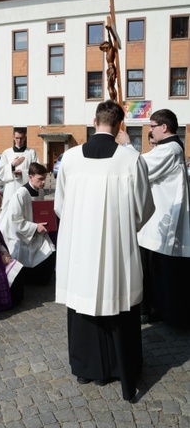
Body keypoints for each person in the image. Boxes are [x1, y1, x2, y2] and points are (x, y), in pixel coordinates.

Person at [55, 100, 154, 401]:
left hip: (79, 249)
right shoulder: (130, 159)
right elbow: (144, 208)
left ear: (94, 120)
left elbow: (60, 206)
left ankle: (86, 368)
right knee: (117, 301)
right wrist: (123, 227)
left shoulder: (69, 159)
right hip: (116, 249)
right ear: (120, 125)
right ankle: (117, 366)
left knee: (84, 303)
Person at [120, 109, 190, 328]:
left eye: (152, 126)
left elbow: (141, 168)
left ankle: (167, 315)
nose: (150, 130)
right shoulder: (169, 148)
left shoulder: (170, 149)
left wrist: (126, 145)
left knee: (161, 273)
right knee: (153, 271)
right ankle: (153, 310)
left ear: (164, 127)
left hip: (163, 221)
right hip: (157, 221)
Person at [0, 162, 56, 286]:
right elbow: (16, 221)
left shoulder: (40, 192)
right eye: (40, 179)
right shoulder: (21, 194)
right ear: (30, 177)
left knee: (51, 251)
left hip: (35, 231)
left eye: (44, 179)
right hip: (21, 236)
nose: (43, 183)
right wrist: (35, 227)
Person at [0, 128, 39, 208]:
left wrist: (23, 172)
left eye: (21, 138)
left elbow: (36, 171)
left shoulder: (31, 152)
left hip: (26, 187)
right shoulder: (6, 152)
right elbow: (0, 171)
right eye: (17, 138)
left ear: (25, 138)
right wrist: (12, 165)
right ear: (13, 137)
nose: (19, 141)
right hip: (11, 188)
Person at [99, 31, 117, 102]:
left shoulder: (110, 49)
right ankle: (114, 99)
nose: (104, 50)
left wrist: (109, 32)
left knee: (110, 86)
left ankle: (113, 100)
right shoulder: (108, 51)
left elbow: (110, 41)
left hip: (111, 68)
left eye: (104, 48)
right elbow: (100, 47)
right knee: (109, 86)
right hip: (110, 68)